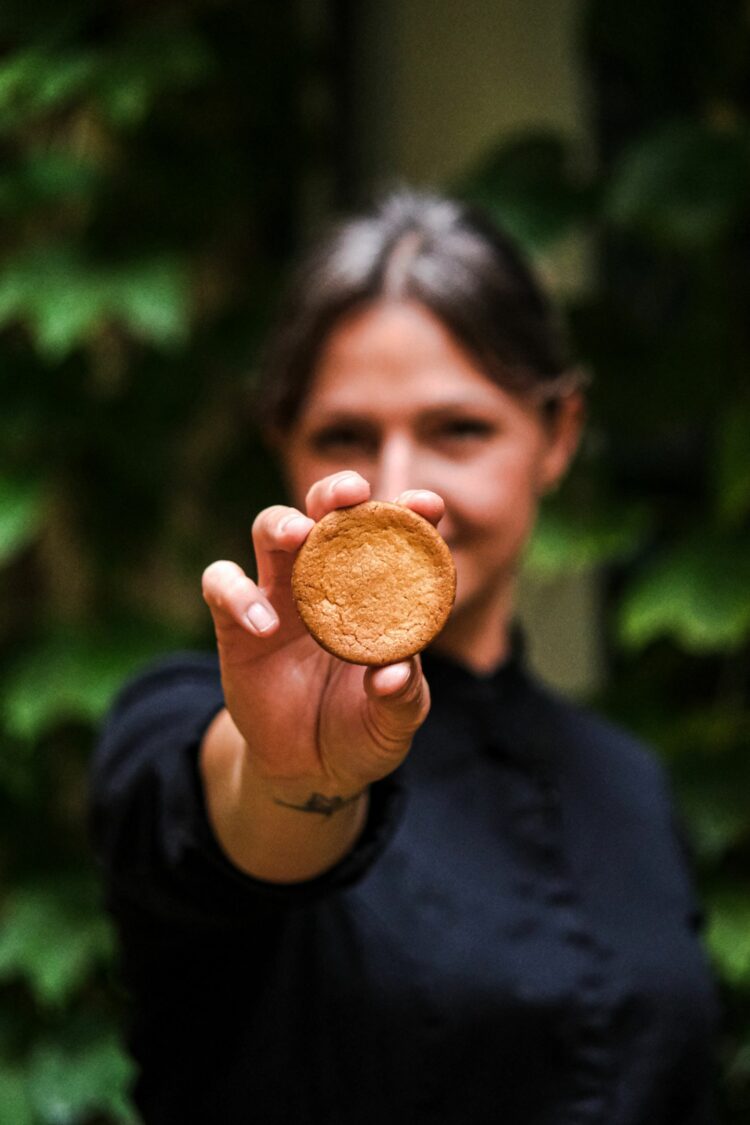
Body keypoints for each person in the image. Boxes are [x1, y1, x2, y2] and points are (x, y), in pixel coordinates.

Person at [91, 190, 718, 1124]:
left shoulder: (628, 783)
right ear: (282, 442)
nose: (395, 489)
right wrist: (295, 775)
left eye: (458, 429)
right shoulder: (190, 721)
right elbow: (238, 813)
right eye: (345, 435)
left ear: (559, 435)